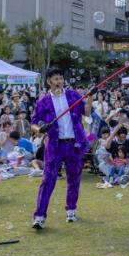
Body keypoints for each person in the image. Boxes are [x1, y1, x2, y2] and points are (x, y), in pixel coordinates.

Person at [31, 68, 92, 229]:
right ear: (49, 81)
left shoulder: (73, 95)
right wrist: (39, 129)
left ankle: (71, 210)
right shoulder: (43, 102)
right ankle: (39, 216)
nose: (59, 81)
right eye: (56, 79)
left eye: (61, 78)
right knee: (47, 180)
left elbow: (86, 113)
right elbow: (33, 123)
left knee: (74, 178)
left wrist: (90, 97)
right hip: (54, 145)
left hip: (74, 144)